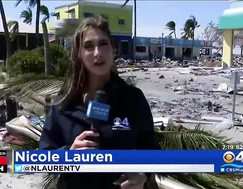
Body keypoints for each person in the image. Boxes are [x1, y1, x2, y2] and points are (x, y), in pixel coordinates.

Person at [39, 15, 159, 189]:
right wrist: (68, 154)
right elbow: (44, 159)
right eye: (88, 46)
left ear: (113, 49)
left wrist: (143, 174)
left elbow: (152, 151)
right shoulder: (62, 104)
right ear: (79, 54)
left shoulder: (133, 99)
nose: (98, 53)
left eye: (103, 44)